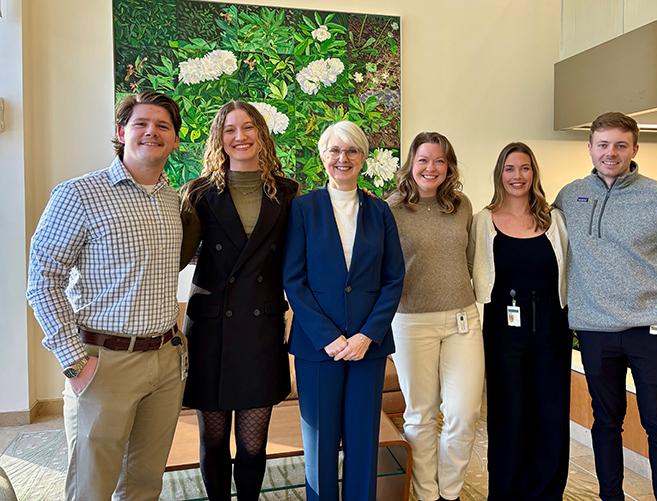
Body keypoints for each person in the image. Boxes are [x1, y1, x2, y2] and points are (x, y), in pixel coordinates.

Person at [554, 112, 657, 501]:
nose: (610, 153)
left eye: (619, 145)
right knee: (606, 424)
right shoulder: (570, 196)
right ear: (590, 148)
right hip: (596, 332)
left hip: (653, 333)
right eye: (603, 145)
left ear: (634, 148)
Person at [26, 91, 185, 500]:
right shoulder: (78, 194)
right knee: (92, 485)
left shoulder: (173, 199)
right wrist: (73, 362)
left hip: (165, 361)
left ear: (175, 140)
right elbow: (43, 280)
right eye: (141, 124)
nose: (152, 132)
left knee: (145, 482)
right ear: (121, 132)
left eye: (163, 126)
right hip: (103, 362)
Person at [180, 101, 298, 500]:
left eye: (248, 127)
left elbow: (306, 253)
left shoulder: (289, 192)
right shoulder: (198, 194)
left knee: (252, 445)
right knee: (213, 441)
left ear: (262, 134)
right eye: (230, 129)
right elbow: (174, 257)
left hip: (260, 328)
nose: (240, 136)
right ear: (220, 138)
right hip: (211, 329)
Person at [282, 120, 405, 501]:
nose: (342, 158)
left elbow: (393, 278)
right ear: (323, 157)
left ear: (363, 158)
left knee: (363, 441)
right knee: (319, 447)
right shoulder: (303, 209)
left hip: (368, 346)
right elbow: (294, 280)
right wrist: (330, 338)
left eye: (351, 150)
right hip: (319, 349)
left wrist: (367, 335)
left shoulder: (380, 211)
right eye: (335, 150)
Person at [470, 142, 571, 500]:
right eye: (510, 169)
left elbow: (571, 271)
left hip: (552, 327)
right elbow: (470, 271)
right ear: (500, 174)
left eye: (524, 168)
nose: (517, 176)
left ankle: (547, 491)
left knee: (550, 412)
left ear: (534, 173)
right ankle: (506, 491)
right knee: (508, 412)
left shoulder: (554, 219)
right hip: (502, 330)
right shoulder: (482, 221)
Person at [387, 132, 483, 501]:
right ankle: (427, 494)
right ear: (411, 163)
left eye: (439, 161)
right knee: (420, 415)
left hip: (463, 320)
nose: (431, 168)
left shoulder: (461, 205)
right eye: (423, 160)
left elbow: (471, 258)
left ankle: (451, 493)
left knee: (463, 413)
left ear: (449, 166)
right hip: (411, 321)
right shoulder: (391, 208)